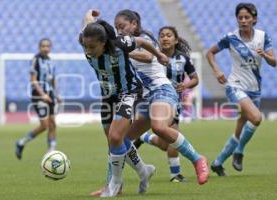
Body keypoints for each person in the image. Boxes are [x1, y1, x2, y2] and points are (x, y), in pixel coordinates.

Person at [80, 10, 169, 197]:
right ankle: (144, 171)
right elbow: (88, 23)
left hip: (129, 92)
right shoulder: (87, 39)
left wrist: (159, 55)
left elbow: (143, 42)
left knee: (115, 136)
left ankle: (115, 184)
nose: (88, 51)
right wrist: (89, 14)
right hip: (108, 96)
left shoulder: (120, 44)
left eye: (92, 47)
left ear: (104, 43)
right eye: (86, 47)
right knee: (115, 140)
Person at [114, 9, 209, 185]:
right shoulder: (122, 44)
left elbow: (148, 56)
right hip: (144, 99)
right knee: (118, 140)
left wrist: (124, 52)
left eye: (122, 26)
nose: (119, 31)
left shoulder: (144, 38)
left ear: (134, 24)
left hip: (162, 91)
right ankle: (115, 184)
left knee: (159, 127)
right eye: (116, 28)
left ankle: (197, 159)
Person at [206, 3, 276, 176]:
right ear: (237, 19)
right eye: (240, 18)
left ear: (254, 19)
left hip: (255, 89)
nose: (243, 21)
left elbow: (273, 62)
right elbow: (210, 53)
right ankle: (239, 152)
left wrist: (265, 55)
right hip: (235, 86)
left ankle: (218, 162)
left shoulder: (263, 36)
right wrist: (217, 70)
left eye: (247, 17)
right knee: (257, 118)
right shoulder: (231, 38)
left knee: (240, 128)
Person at [134, 25, 200, 183]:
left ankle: (143, 137)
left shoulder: (183, 58)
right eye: (162, 35)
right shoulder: (151, 55)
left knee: (165, 143)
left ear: (176, 40)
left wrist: (185, 85)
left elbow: (195, 78)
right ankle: (175, 174)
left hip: (173, 101)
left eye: (169, 35)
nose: (165, 38)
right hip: (154, 99)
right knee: (173, 135)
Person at [15, 38, 61, 159]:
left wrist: (57, 94)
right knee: (44, 125)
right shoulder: (35, 60)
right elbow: (33, 80)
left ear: (50, 47)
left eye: (47, 46)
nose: (45, 48)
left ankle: (51, 150)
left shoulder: (51, 61)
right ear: (39, 47)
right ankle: (21, 142)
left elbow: (53, 79)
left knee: (53, 124)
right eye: (43, 46)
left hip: (50, 94)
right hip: (38, 95)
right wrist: (42, 94)